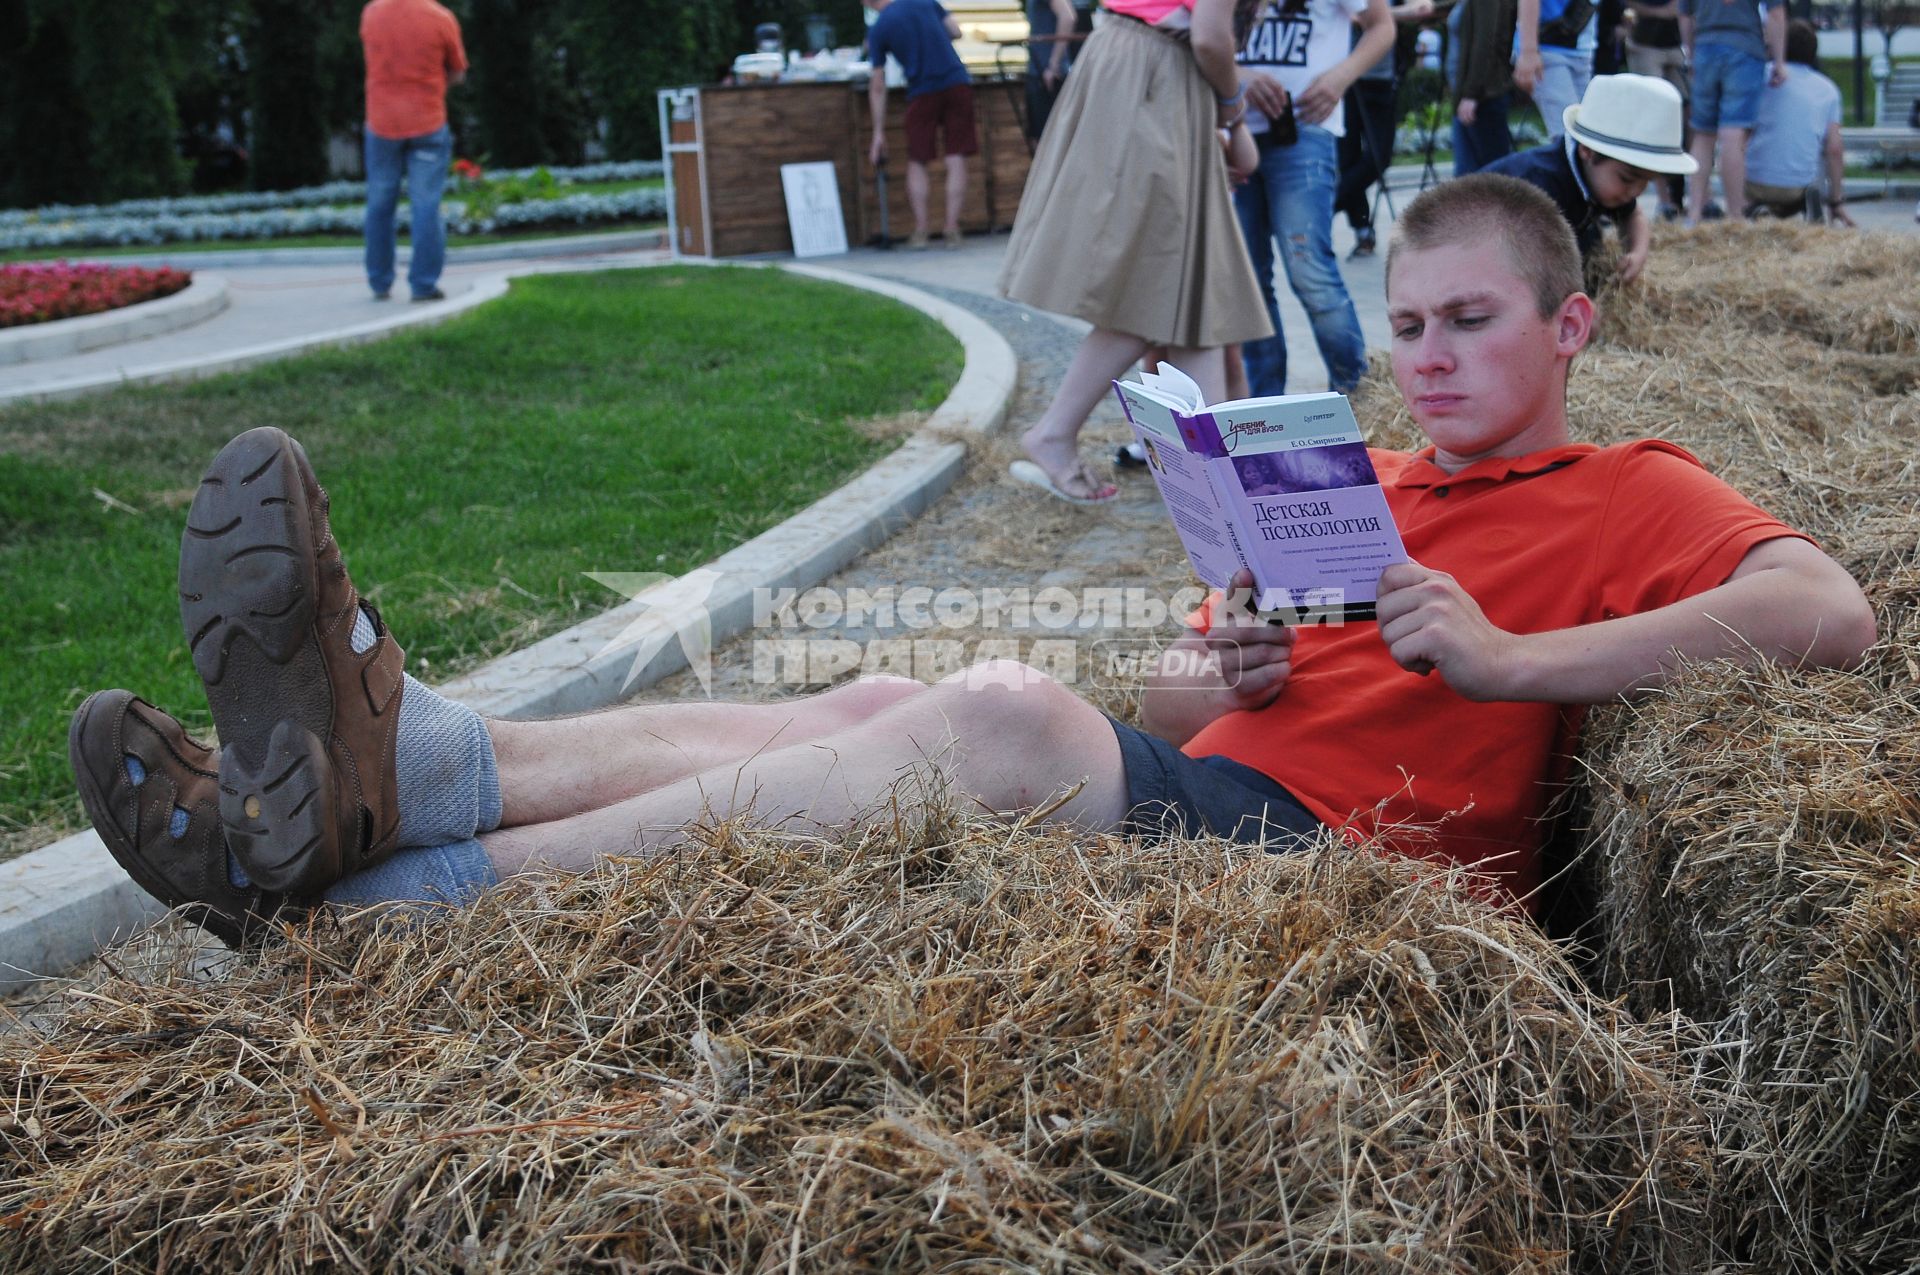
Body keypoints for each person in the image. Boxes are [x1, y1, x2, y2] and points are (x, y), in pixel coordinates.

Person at [70, 175, 1876, 948]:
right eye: (1405, 321)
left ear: (1568, 328)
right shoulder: (1358, 470)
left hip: (1364, 876)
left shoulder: (1630, 482)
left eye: (1471, 321)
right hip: (1223, 792)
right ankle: (410, 774)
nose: (1428, 354)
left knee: (1003, 715)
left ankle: (388, 922)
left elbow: (1828, 616)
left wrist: (1506, 662)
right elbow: (1172, 699)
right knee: (878, 693)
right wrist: (1231, 656)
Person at [998, 0, 1272, 504]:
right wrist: (1234, 111)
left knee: (1193, 287)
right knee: (1159, 280)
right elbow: (1211, 36)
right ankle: (1056, 433)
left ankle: (1214, 477)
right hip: (1153, 73)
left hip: (1144, 68)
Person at [1232, 0, 1395, 395]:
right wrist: (1239, 75)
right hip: (1234, 128)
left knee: (1310, 272)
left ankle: (1360, 398)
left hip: (1305, 128)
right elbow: (1199, 35)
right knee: (1248, 281)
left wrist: (1339, 79)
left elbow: (1381, 25)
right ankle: (1265, 412)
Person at [1486, 73, 1696, 282]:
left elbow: (1633, 215)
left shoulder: (1602, 180)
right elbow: (1525, 269)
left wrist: (1637, 252)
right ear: (1587, 151)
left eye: (1646, 182)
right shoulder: (1540, 186)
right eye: (1627, 179)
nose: (1635, 192)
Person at [359, 0, 467, 303]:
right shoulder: (440, 17)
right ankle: (423, 285)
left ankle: (379, 282)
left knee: (379, 203)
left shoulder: (372, 13)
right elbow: (458, 73)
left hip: (381, 124)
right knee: (426, 205)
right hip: (428, 123)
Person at [866, 0, 980, 251]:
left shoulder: (879, 28)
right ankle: (951, 229)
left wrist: (877, 132)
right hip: (956, 82)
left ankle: (921, 231)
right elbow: (955, 31)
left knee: (918, 159)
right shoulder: (925, 1)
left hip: (921, 91)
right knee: (956, 156)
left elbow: (877, 84)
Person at [1335, 0, 1438, 260]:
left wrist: (1384, 15)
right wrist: (1392, 16)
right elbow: (1355, 18)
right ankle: (1362, 230)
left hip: (1382, 82)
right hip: (1347, 80)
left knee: (1379, 157)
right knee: (1348, 158)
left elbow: (1423, 8)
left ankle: (1327, 205)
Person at [1678, 0, 1786, 226]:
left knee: (1703, 133)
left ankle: (1694, 212)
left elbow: (1685, 15)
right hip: (1745, 48)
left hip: (1705, 48)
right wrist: (1779, 61)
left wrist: (1691, 54)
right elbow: (1775, 14)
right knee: (1733, 134)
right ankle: (1735, 215)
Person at [1743, 19, 1854, 225]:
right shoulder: (1827, 90)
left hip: (1752, 184)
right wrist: (1836, 200)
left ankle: (1753, 207)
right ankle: (1813, 208)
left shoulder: (1759, 76)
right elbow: (1835, 150)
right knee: (1821, 143)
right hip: (1798, 189)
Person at [1623, 0, 1690, 217]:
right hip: (1645, 44)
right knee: (1656, 120)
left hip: (1676, 45)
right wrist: (1658, 12)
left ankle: (1682, 196)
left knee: (1688, 120)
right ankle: (1665, 201)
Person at [1512, 0, 1596, 143]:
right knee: (1569, 137)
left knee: (1587, 134)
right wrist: (1528, 52)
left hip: (1580, 50)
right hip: (1548, 50)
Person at [1452, 0, 1519, 175]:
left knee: (1489, 177)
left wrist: (1472, 93)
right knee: (1470, 178)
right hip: (1472, 96)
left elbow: (1485, 40)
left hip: (1483, 96)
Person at [1024, 0, 1087, 141]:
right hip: (1041, 68)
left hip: (1048, 72)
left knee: (1050, 137)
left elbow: (1068, 17)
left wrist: (1054, 64)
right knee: (1041, 135)